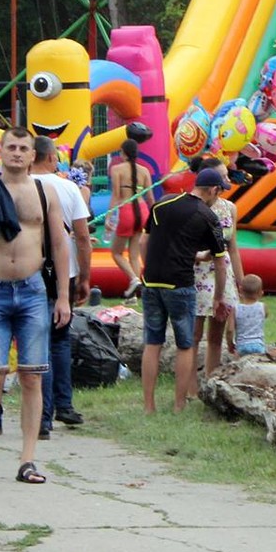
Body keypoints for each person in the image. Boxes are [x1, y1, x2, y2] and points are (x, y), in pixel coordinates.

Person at [0, 129, 72, 483]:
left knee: (32, 377)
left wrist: (64, 296)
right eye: (12, 147)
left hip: (33, 291)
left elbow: (59, 244)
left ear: (32, 154)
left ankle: (27, 459)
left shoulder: (44, 190)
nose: (18, 153)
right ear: (1, 151)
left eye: (24, 148)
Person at [138, 168, 227, 413]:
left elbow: (144, 241)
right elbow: (220, 262)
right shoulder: (208, 216)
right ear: (214, 190)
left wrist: (147, 271)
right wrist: (218, 297)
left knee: (152, 342)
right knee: (185, 344)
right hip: (180, 285)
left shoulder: (162, 204)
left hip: (152, 282)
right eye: (218, 193)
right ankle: (179, 405)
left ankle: (148, 406)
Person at [33, 137, 94, 434]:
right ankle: (63, 403)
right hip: (63, 272)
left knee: (37, 341)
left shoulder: (16, 185)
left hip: (27, 269)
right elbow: (82, 237)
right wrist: (84, 275)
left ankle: (41, 416)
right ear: (50, 158)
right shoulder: (68, 188)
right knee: (58, 339)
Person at [196, 167, 246, 378]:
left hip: (222, 273)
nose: (227, 180)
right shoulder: (193, 207)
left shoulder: (229, 208)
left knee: (216, 336)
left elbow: (232, 247)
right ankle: (190, 388)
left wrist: (240, 281)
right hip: (198, 273)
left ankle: (211, 380)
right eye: (222, 176)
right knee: (194, 336)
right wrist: (199, 256)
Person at [107, 139, 153, 298]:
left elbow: (116, 196)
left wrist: (108, 217)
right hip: (143, 211)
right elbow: (150, 198)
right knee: (134, 254)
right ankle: (135, 293)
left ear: (123, 153)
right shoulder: (145, 171)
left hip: (126, 212)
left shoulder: (116, 169)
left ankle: (134, 279)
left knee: (116, 253)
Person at [232, 274, 268, 356]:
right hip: (258, 344)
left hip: (241, 345)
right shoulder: (263, 307)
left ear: (240, 290)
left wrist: (230, 343)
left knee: (238, 365)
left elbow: (230, 330)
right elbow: (265, 316)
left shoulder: (235, 309)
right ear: (261, 293)